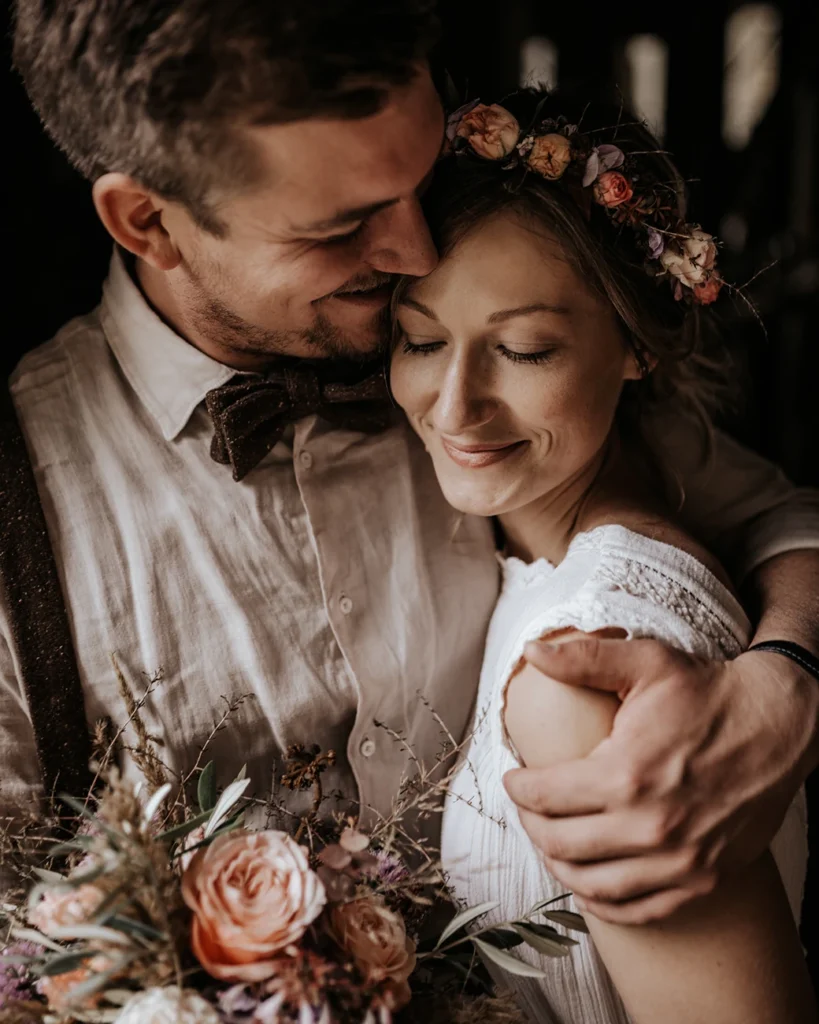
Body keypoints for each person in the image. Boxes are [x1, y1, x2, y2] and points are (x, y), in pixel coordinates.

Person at [2, 0, 817, 936]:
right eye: (342, 226)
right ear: (148, 220)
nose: (414, 250)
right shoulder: (22, 502)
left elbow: (775, 518)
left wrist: (787, 680)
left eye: (419, 182)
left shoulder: (490, 370)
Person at [390, 90, 816, 1022]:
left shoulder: (590, 675)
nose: (454, 407)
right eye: (420, 339)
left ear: (635, 346)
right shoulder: (637, 479)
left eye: (525, 349)